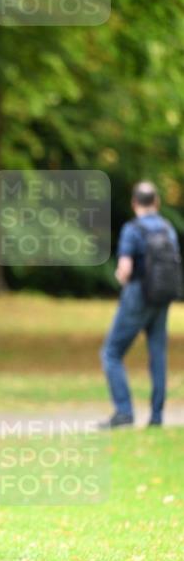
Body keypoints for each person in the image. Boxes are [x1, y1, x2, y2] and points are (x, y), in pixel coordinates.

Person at [100, 181, 182, 428]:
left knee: (111, 352)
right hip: (162, 298)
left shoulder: (132, 229)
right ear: (156, 202)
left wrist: (119, 278)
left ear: (134, 203)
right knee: (157, 354)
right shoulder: (169, 229)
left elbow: (125, 268)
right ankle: (157, 417)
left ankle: (124, 412)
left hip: (137, 296)